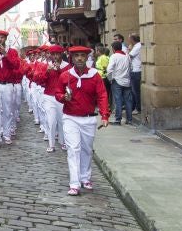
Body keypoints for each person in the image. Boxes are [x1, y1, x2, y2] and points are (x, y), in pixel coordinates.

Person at [56, 45, 109, 196]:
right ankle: (74, 183)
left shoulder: (94, 75)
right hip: (70, 118)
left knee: (87, 149)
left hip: (88, 118)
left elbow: (102, 95)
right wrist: (63, 97)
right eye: (76, 56)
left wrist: (104, 115)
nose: (79, 58)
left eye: (82, 56)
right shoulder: (65, 76)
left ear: (87, 58)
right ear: (72, 58)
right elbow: (58, 93)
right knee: (73, 149)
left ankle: (85, 177)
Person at [107, 41, 133, 124]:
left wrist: (110, 79)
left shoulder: (114, 56)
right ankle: (129, 119)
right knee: (128, 101)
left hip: (117, 80)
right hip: (127, 81)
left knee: (118, 100)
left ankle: (118, 119)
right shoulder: (127, 56)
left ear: (113, 49)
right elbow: (131, 68)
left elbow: (109, 69)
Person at [127, 33, 142, 114]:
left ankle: (138, 108)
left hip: (136, 70)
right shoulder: (136, 46)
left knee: (135, 91)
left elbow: (129, 56)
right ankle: (134, 107)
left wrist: (129, 49)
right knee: (134, 91)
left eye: (129, 39)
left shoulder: (137, 46)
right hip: (134, 70)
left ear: (132, 39)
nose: (128, 41)